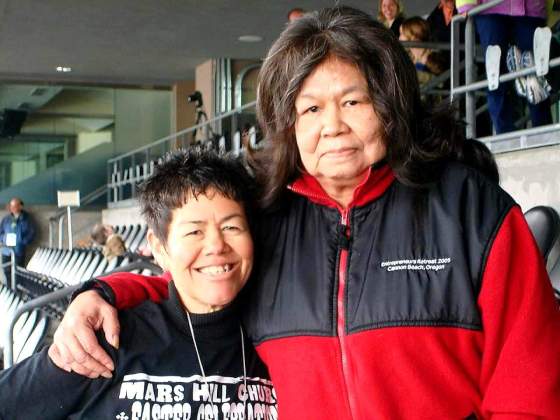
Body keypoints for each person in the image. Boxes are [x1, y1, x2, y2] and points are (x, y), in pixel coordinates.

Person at [50, 7, 560, 419]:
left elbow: (529, 388)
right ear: (286, 124)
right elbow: (203, 275)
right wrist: (103, 292)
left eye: (353, 101)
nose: (332, 126)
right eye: (311, 109)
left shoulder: (469, 208)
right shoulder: (266, 216)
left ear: (390, 105)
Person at [0, 149, 276, 419]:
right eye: (194, 231)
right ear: (159, 248)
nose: (216, 245)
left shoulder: (277, 339)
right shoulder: (107, 340)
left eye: (232, 227)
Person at [457, 0, 553, 133]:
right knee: (495, 74)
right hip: (489, 8)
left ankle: (544, 131)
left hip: (530, 7)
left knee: (537, 71)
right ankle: (504, 133)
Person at [399, 17, 446, 86]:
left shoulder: (435, 58)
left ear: (414, 37)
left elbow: (440, 84)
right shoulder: (406, 56)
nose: (399, 38)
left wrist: (414, 74)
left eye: (402, 34)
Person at [0, 197, 35, 279]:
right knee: (7, 273)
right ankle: (9, 290)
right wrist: (3, 239)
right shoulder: (6, 219)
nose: (12, 208)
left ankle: (18, 291)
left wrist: (22, 241)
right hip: (6, 251)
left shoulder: (27, 219)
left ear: (20, 206)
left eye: (15, 206)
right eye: (11, 206)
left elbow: (32, 233)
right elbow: (0, 232)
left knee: (18, 274)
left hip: (18, 251)